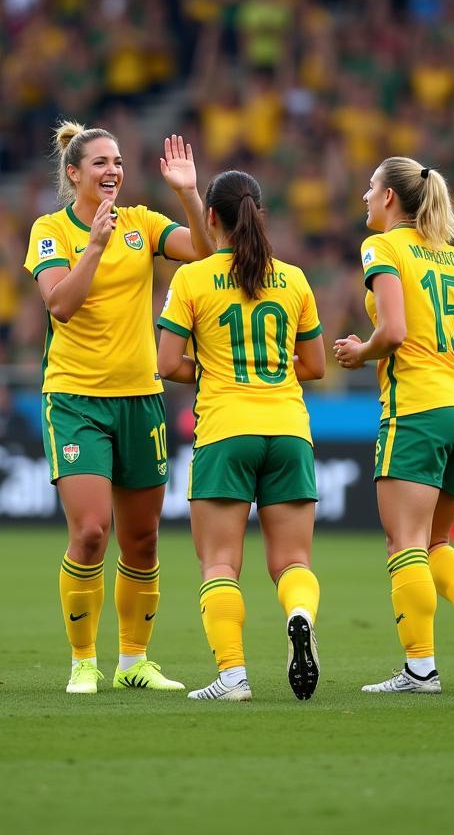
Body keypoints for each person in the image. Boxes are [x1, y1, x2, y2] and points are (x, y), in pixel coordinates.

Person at [25, 122, 214, 694]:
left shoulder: (143, 224)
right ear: (74, 173)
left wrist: (187, 192)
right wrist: (97, 246)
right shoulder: (50, 231)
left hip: (140, 399)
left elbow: (208, 255)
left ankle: (134, 662)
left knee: (144, 540)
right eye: (101, 163)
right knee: (89, 532)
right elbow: (60, 304)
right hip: (76, 399)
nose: (113, 171)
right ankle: (84, 661)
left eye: (118, 162)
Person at [334, 157, 454, 694]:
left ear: (391, 198)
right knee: (437, 540)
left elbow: (393, 331)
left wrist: (359, 350)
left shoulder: (382, 248)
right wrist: (453, 346)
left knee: (404, 544)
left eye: (371, 186)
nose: (365, 196)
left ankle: (420, 668)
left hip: (417, 409)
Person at [157, 170, 326, 702]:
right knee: (293, 563)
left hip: (226, 429)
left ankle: (233, 676)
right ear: (261, 214)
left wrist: (212, 369)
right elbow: (316, 366)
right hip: (289, 431)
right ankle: (299, 614)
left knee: (220, 563)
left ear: (211, 218)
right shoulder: (295, 279)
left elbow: (166, 364)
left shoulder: (193, 278)